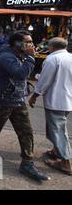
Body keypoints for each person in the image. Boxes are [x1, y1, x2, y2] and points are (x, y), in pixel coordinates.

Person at [0, 31, 50, 182]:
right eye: (28, 42)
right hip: (2, 100)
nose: (31, 45)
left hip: (17, 100)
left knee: (26, 131)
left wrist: (28, 57)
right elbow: (19, 74)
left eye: (31, 42)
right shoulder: (6, 57)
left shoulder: (19, 55)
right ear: (17, 44)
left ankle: (27, 163)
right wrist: (31, 58)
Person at [29, 38, 72, 176]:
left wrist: (35, 95)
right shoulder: (70, 57)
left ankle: (65, 162)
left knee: (58, 130)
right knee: (58, 128)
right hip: (67, 100)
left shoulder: (52, 59)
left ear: (52, 47)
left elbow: (44, 80)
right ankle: (56, 151)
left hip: (56, 101)